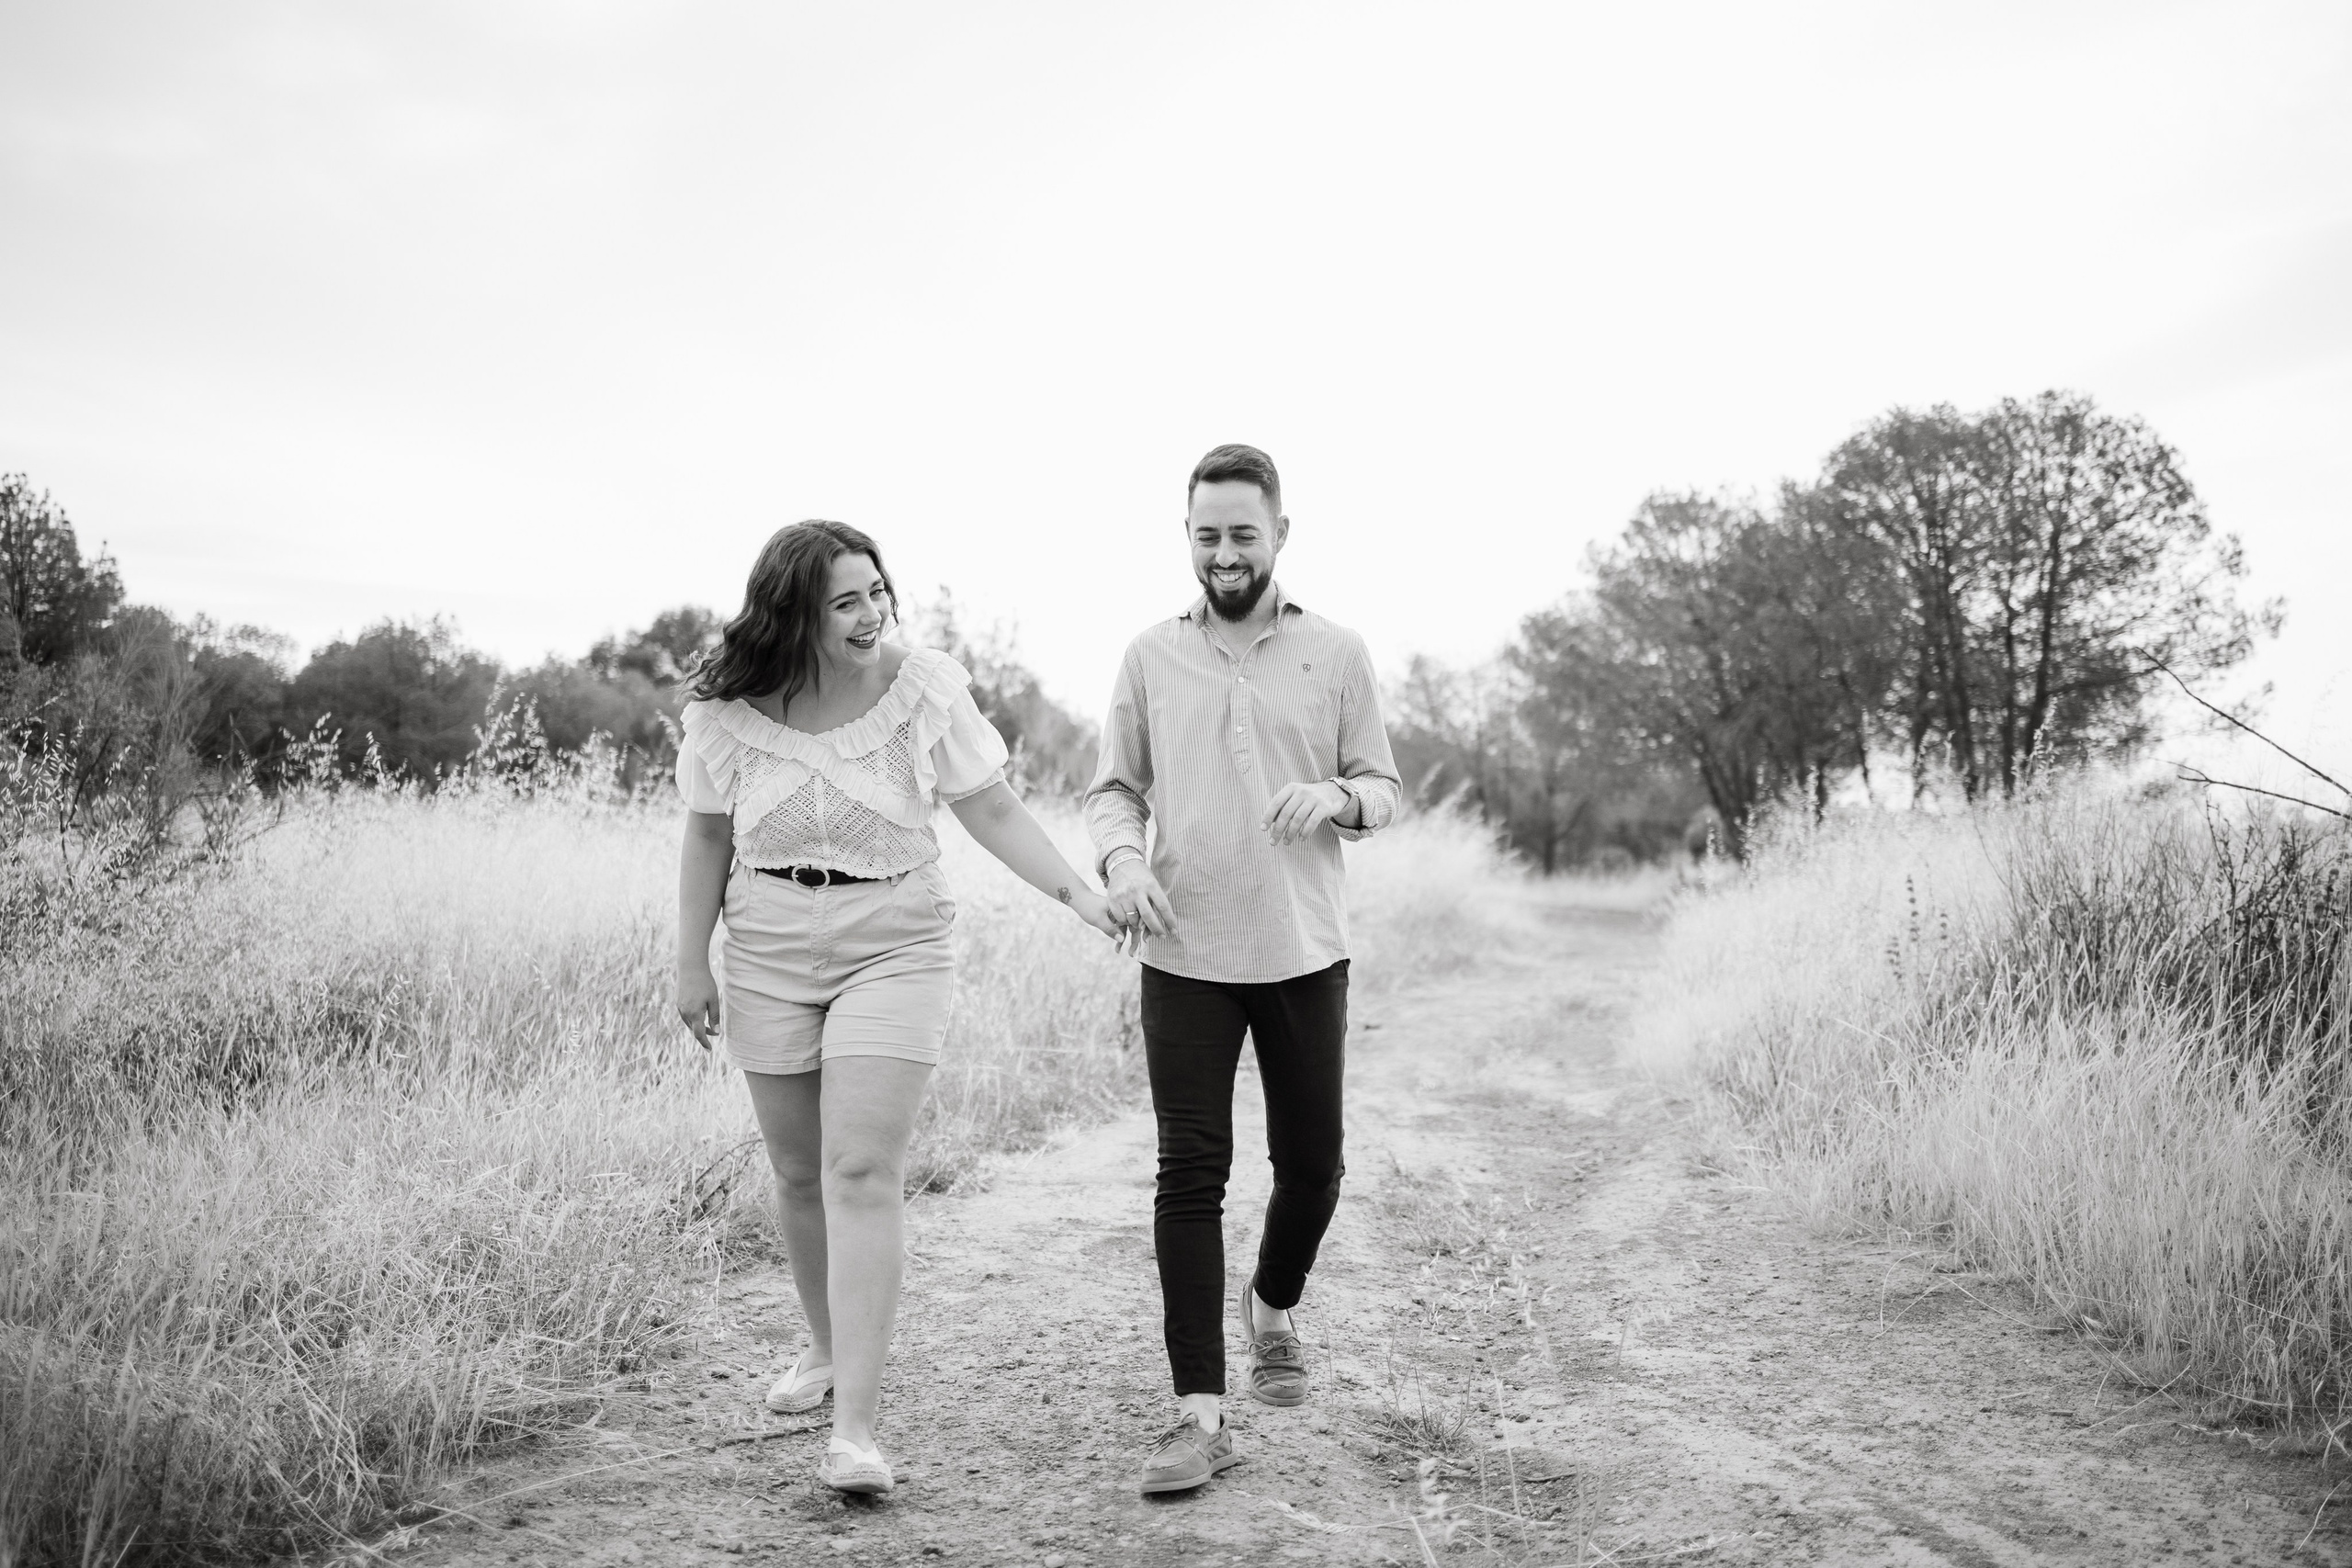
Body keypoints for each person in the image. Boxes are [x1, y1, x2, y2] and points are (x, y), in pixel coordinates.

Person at [675, 520, 1121, 1495]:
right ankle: (829, 1347)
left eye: (878, 591)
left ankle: (857, 1433)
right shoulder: (723, 712)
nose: (873, 613)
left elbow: (992, 807)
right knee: (797, 1173)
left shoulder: (921, 687)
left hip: (896, 938)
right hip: (765, 941)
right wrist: (689, 961)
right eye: (846, 600)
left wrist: (1082, 897)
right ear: (795, 612)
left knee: (861, 1169)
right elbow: (707, 835)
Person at [1085, 445, 1402, 1495]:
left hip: (1305, 949)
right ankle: (1199, 1414)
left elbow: (1383, 787)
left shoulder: (1339, 652)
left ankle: (1272, 1306)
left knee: (1313, 1168)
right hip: (1183, 951)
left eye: (1243, 534)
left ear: (1279, 535)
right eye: (1206, 534)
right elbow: (1113, 790)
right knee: (1190, 1174)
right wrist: (1122, 860)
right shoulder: (1145, 656)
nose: (1224, 553)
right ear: (1188, 537)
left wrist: (1338, 797)